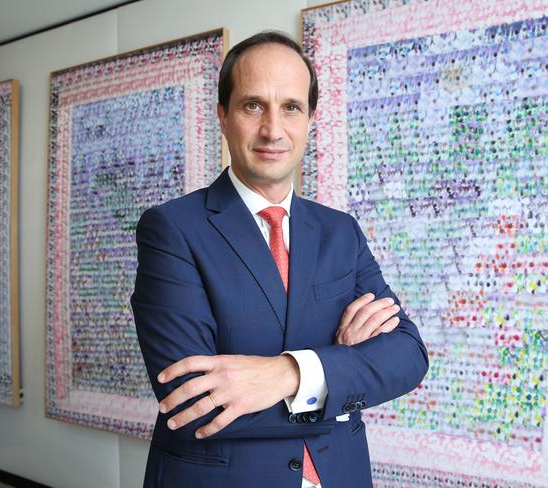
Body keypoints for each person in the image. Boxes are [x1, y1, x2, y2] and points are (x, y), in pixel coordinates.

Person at [131, 31, 428, 488]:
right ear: (223, 117)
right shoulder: (172, 230)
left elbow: (407, 355)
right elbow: (195, 404)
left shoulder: (339, 231)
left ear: (310, 119)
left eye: (290, 107)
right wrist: (340, 369)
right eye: (253, 106)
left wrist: (288, 373)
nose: (273, 129)